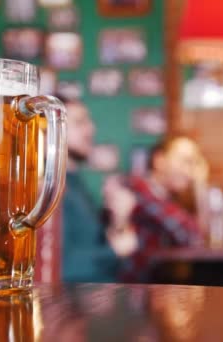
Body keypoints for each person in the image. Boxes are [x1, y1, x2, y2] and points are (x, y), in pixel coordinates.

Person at [104, 136, 207, 281]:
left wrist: (200, 186)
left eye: (194, 164)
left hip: (147, 291)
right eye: (186, 161)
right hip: (128, 293)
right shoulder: (138, 190)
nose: (190, 172)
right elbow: (191, 235)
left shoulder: (163, 198)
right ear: (159, 160)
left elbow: (198, 237)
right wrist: (200, 183)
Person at [62, 100, 134, 282]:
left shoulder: (75, 182)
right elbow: (58, 266)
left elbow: (96, 245)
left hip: (97, 297)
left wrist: (120, 218)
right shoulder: (46, 188)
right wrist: (115, 250)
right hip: (70, 305)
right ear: (48, 129)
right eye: (80, 122)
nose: (91, 129)